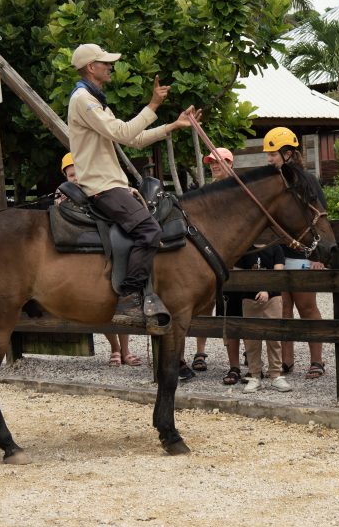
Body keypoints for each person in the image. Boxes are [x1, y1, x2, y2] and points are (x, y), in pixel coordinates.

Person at [66, 43, 199, 320]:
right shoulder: (83, 99)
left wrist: (172, 126)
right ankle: (128, 298)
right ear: (92, 67)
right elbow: (125, 134)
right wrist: (153, 105)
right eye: (105, 63)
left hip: (109, 184)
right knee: (149, 231)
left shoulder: (94, 99)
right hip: (102, 186)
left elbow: (134, 139)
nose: (110, 66)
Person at [59, 152, 141, 367]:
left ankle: (126, 349)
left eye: (79, 173)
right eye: (70, 175)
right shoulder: (62, 196)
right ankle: (115, 348)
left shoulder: (102, 189)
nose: (75, 178)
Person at [261, 127, 329, 379]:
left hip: (303, 253)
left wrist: (317, 257)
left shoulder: (307, 181)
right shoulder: (273, 182)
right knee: (284, 309)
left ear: (288, 154)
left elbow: (320, 217)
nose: (269, 159)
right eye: (268, 155)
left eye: (273, 154)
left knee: (307, 307)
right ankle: (287, 361)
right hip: (278, 252)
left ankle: (317, 361)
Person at [190, 147, 235, 372]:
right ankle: (200, 351)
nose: (215, 166)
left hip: (233, 252)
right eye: (211, 163)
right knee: (205, 303)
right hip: (211, 251)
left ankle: (241, 355)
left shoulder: (238, 191)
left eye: (219, 161)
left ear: (230, 163)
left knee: (238, 304)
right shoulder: (206, 191)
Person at [232, 242, 292, 393]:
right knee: (251, 340)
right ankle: (255, 375)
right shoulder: (244, 249)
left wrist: (266, 290)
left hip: (273, 298)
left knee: (274, 337)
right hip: (249, 299)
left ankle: (276, 375)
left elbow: (278, 273)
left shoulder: (276, 248)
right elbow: (238, 274)